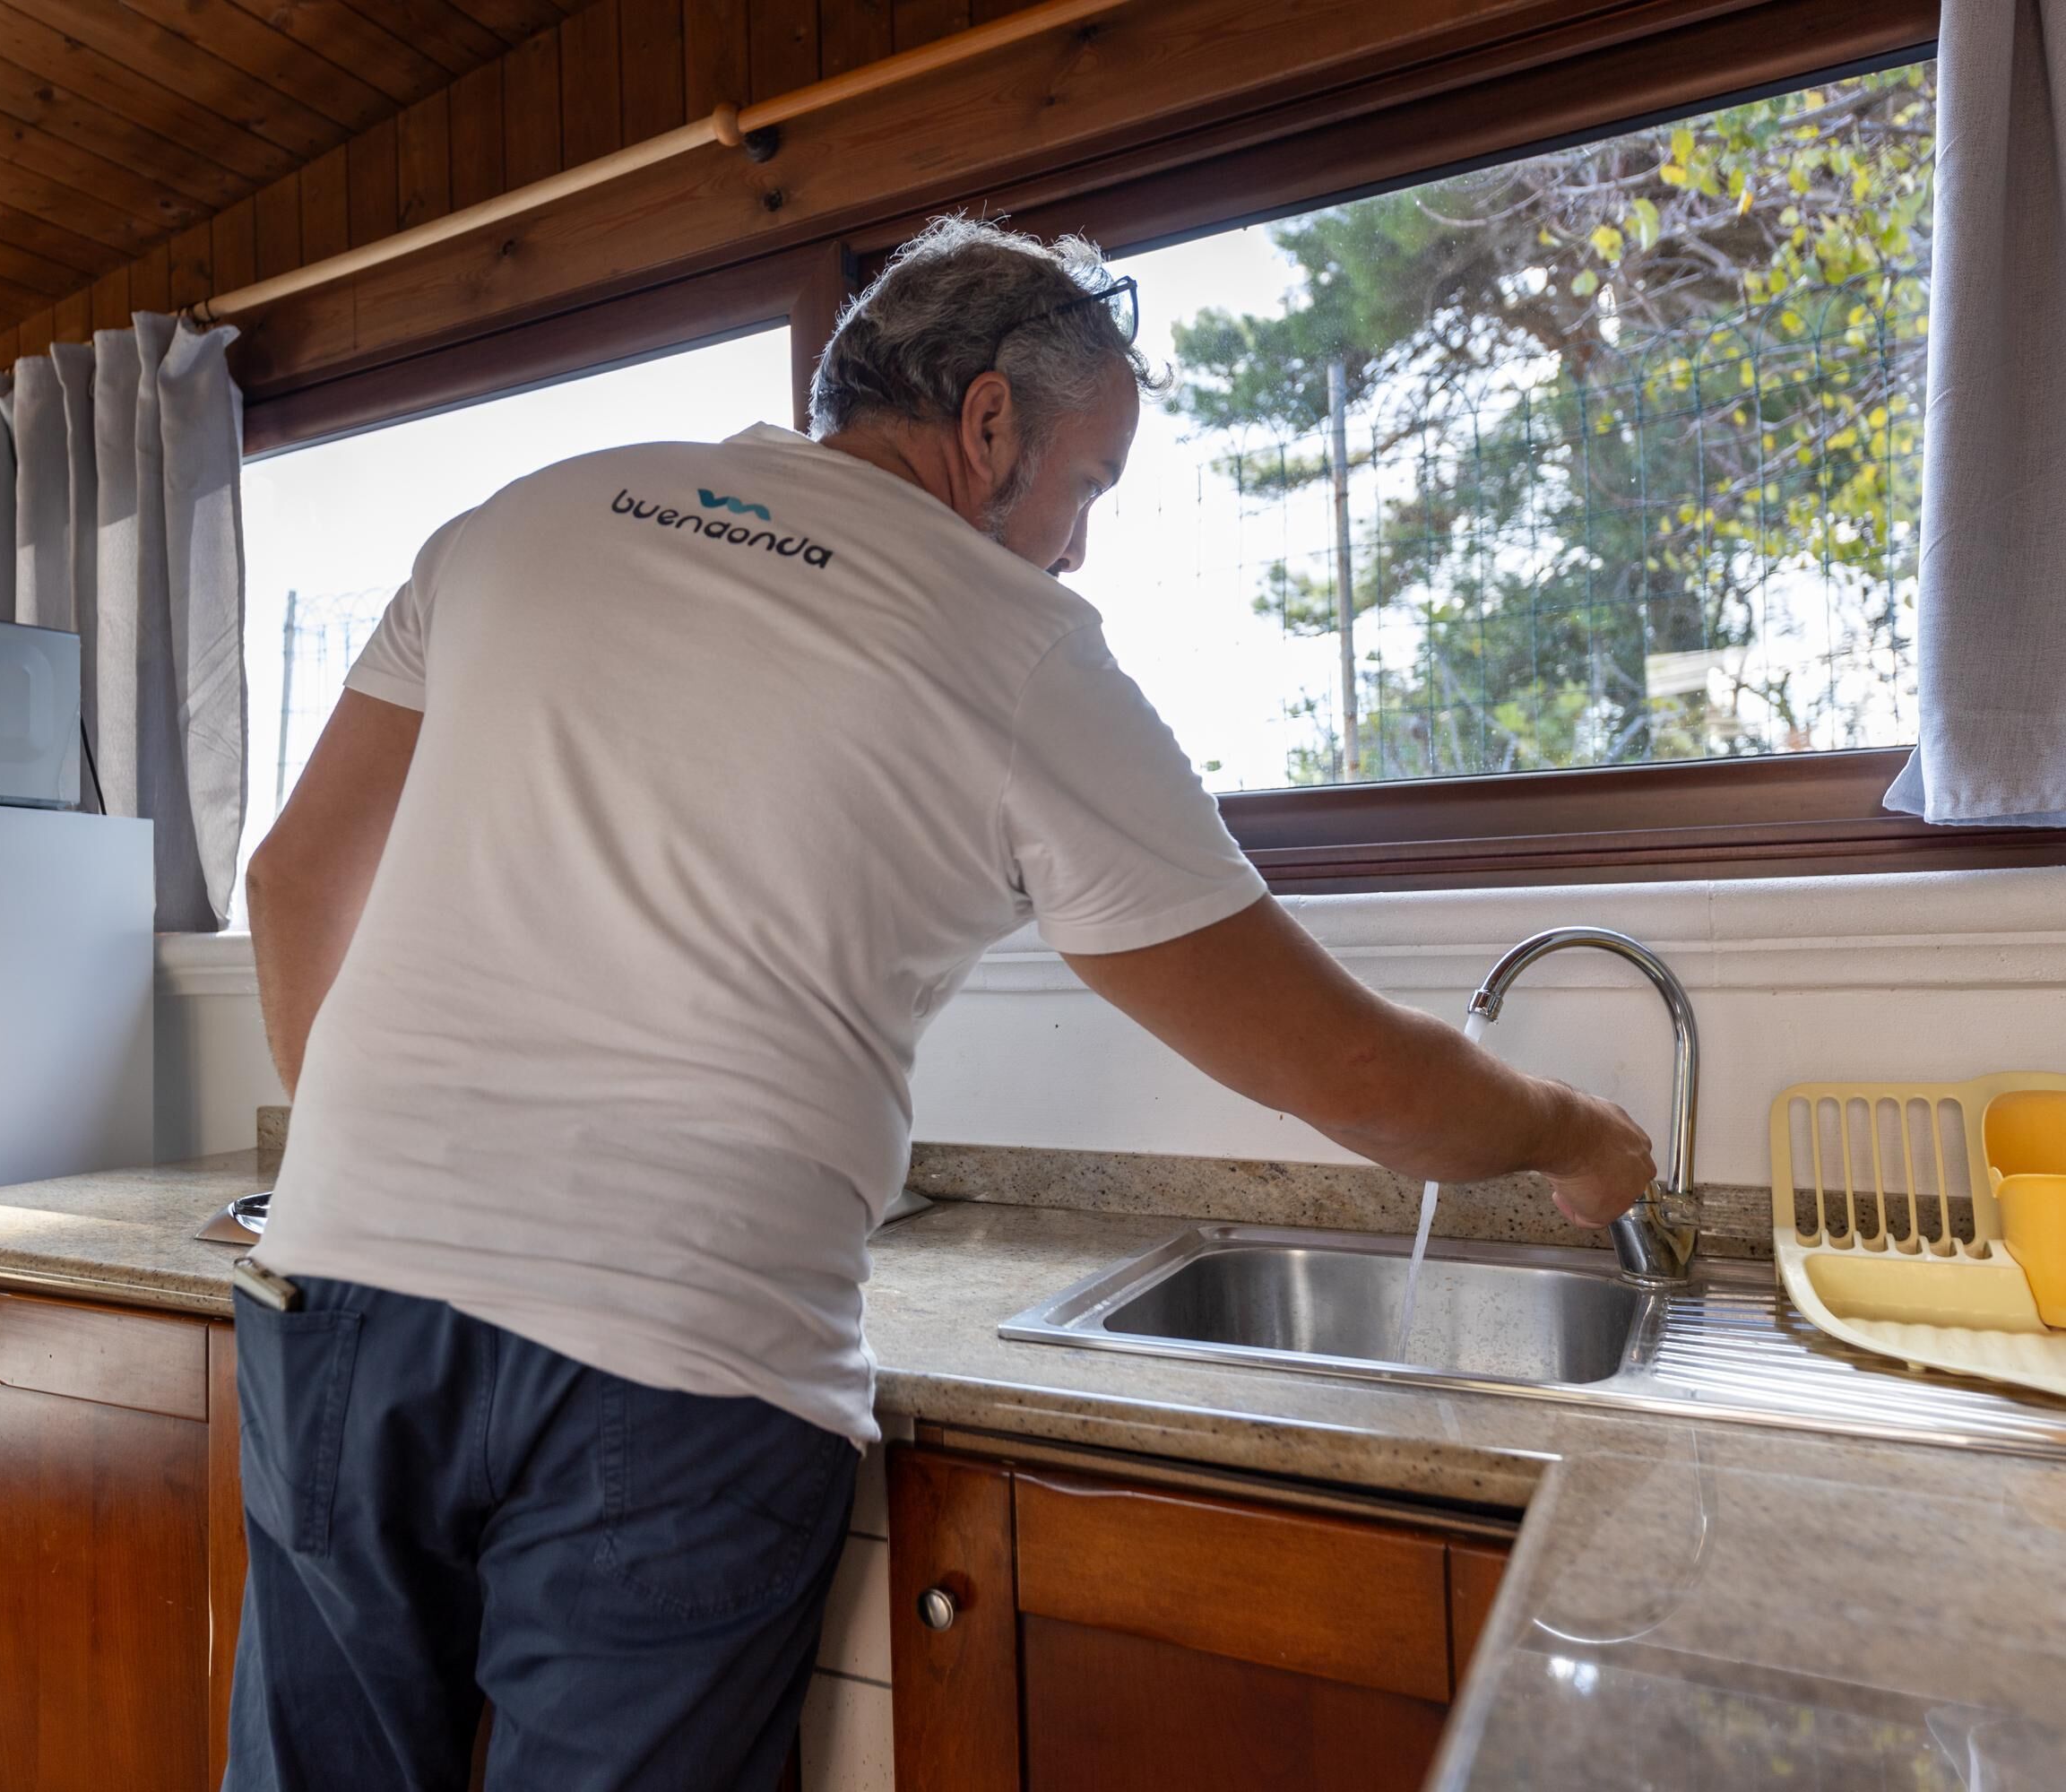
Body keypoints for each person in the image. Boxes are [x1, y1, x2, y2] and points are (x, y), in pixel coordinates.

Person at [225, 215, 1656, 1788]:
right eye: (1090, 483)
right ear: (987, 426)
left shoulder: (520, 523)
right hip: (672, 1359)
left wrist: (364, 1174)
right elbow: (1347, 1074)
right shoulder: (1018, 651)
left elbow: (295, 879)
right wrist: (1567, 1128)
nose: (1081, 543)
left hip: (338, 1301)